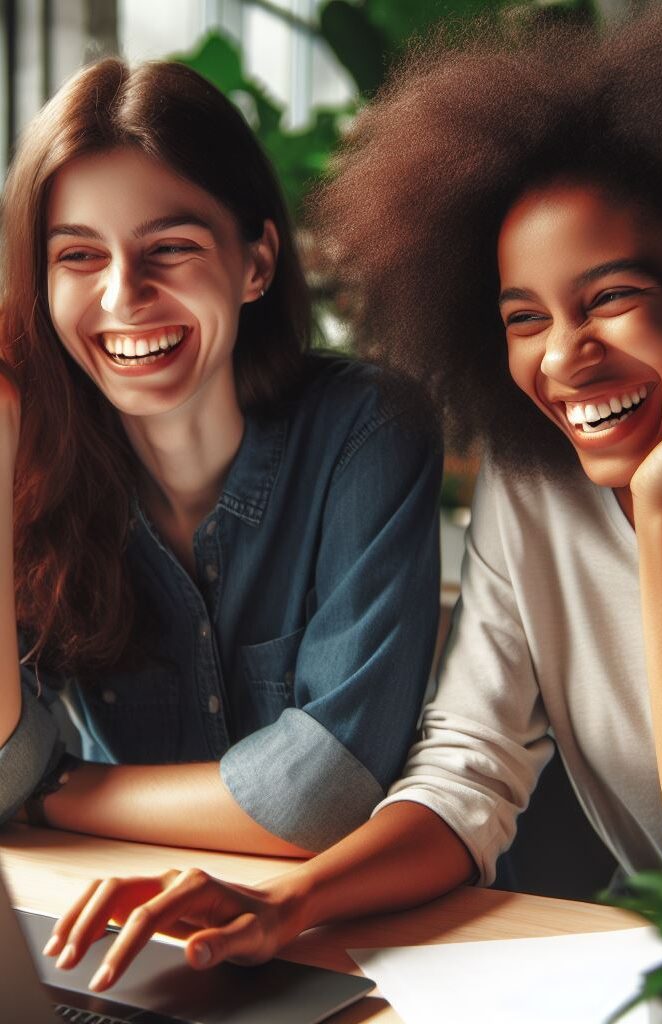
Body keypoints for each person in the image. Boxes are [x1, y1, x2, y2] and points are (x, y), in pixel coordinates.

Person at [41, 0, 662, 994]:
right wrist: (282, 907)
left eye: (613, 299)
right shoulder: (539, 476)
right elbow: (471, 770)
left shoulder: (624, 492)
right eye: (524, 316)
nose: (565, 358)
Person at [0, 58, 442, 861]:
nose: (122, 296)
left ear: (256, 263)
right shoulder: (36, 469)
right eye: (78, 256)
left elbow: (323, 794)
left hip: (381, 936)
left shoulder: (368, 430)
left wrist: (52, 791)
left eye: (168, 248)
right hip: (133, 923)